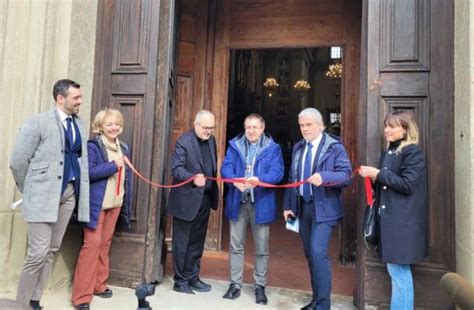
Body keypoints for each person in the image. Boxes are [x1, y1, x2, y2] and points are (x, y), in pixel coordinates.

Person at [10, 79, 90, 310]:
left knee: (51, 251)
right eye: (76, 98)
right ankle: (20, 305)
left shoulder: (79, 125)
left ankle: (35, 301)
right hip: (42, 196)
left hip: (69, 195)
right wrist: (31, 189)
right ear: (60, 98)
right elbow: (17, 161)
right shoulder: (37, 123)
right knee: (37, 253)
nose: (80, 101)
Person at [283, 107, 352, 310]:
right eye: (302, 125)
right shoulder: (298, 148)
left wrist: (325, 177)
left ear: (320, 125)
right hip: (303, 208)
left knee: (317, 251)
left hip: (324, 209)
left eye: (309, 125)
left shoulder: (334, 147)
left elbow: (347, 176)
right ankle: (316, 300)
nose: (305, 129)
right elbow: (292, 179)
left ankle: (323, 305)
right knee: (309, 253)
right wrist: (288, 205)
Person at [358, 110, 427, 309]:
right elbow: (388, 185)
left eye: (393, 126)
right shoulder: (390, 152)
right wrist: (372, 177)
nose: (387, 130)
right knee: (395, 272)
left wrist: (378, 174)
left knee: (399, 274)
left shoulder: (412, 152)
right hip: (391, 221)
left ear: (405, 130)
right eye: (386, 125)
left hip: (402, 224)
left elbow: (407, 184)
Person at [220, 113, 284, 305]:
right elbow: (226, 168)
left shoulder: (273, 148)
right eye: (248, 127)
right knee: (235, 245)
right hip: (238, 200)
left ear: (262, 129)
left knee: (262, 248)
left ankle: (260, 287)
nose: (251, 131)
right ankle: (235, 285)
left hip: (261, 201)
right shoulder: (235, 145)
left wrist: (260, 181)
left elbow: (278, 172)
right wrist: (234, 180)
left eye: (255, 127)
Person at [71, 109, 132, 309]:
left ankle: (99, 284)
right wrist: (112, 165)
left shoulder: (123, 147)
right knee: (92, 246)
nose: (114, 127)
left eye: (117, 124)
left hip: (114, 204)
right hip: (97, 205)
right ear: (100, 127)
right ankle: (81, 297)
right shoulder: (93, 146)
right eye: (109, 124)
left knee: (104, 244)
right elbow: (87, 173)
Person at [167, 110, 219, 294]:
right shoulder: (184, 141)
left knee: (197, 240)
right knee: (182, 242)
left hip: (204, 198)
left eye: (212, 128)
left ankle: (193, 276)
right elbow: (176, 169)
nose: (209, 131)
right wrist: (192, 178)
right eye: (205, 128)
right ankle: (180, 280)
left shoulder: (212, 140)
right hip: (186, 200)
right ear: (196, 125)